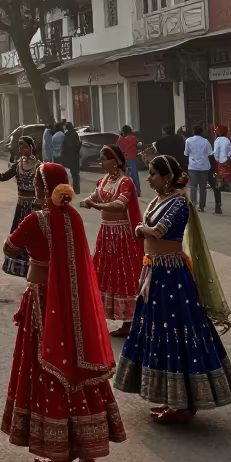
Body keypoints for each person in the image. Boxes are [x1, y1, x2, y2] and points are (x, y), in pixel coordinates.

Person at [1, 163, 126, 462]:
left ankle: (59, 460)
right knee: (77, 366)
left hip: (43, 302)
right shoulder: (72, 218)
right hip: (74, 306)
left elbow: (9, 247)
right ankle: (86, 452)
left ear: (43, 190)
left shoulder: (36, 220)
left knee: (49, 369)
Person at [114, 154, 231, 423]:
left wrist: (141, 229)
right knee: (154, 330)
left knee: (176, 333)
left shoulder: (180, 202)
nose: (148, 178)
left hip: (172, 276)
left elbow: (158, 231)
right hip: (154, 271)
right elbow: (143, 227)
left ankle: (181, 404)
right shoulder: (158, 200)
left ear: (167, 177)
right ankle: (171, 399)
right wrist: (141, 229)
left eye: (153, 174)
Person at [79, 144, 143, 337]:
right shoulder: (105, 180)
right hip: (106, 233)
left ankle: (128, 321)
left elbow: (119, 204)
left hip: (121, 235)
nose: (101, 162)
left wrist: (96, 205)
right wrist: (77, 201)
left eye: (104, 159)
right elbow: (94, 196)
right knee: (106, 273)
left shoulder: (126, 182)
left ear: (115, 161)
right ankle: (107, 315)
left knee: (123, 274)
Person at [0, 136, 39, 277]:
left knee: (32, 237)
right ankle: (21, 269)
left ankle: (35, 268)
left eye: (24, 146)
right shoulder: (18, 164)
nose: (21, 149)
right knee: (19, 235)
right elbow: (5, 177)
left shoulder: (39, 166)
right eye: (19, 147)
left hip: (33, 205)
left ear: (31, 147)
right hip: (21, 205)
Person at [184, 125, 214, 212]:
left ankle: (192, 205)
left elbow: (186, 153)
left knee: (193, 186)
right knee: (203, 187)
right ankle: (201, 206)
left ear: (193, 132)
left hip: (193, 166)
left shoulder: (188, 140)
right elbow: (210, 153)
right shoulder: (205, 141)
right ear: (201, 132)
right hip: (204, 167)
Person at [115, 125, 142, 195]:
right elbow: (139, 145)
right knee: (134, 175)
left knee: (124, 176)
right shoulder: (133, 138)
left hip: (123, 159)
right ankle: (137, 191)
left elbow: (117, 147)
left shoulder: (120, 139)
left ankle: (124, 191)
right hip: (132, 158)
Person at [213, 124, 231, 201]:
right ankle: (228, 186)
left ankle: (222, 186)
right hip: (228, 159)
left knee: (221, 174)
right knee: (227, 174)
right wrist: (228, 157)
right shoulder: (227, 140)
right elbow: (230, 150)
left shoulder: (217, 140)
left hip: (220, 159)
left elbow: (216, 151)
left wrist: (217, 159)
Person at [60, 122, 82, 195]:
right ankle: (76, 189)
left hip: (70, 157)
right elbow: (78, 145)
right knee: (75, 174)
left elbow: (64, 148)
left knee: (71, 174)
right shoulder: (75, 134)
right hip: (74, 157)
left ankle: (72, 189)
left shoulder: (66, 135)